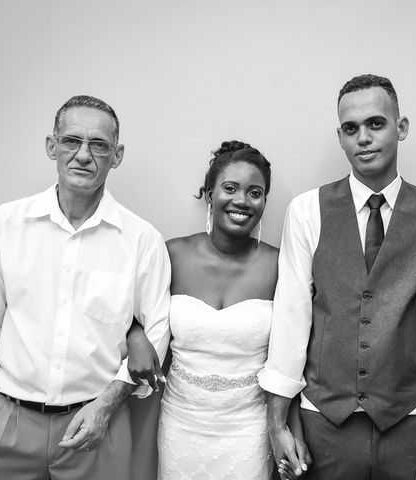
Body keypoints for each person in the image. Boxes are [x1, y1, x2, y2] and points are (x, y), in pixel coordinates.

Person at [258, 74, 416, 480]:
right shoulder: (306, 211)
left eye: (376, 124)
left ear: (401, 127)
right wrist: (278, 424)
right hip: (324, 420)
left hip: (410, 422)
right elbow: (290, 322)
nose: (364, 137)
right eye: (351, 128)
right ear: (340, 137)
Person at [0, 95, 171, 480]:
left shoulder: (141, 239)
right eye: (71, 141)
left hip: (97, 422)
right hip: (9, 418)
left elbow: (156, 333)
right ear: (51, 146)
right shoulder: (6, 223)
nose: (83, 155)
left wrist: (107, 404)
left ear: (116, 155)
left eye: (98, 145)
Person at [127, 140, 310, 480]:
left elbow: (293, 353)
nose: (242, 200)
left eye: (255, 192)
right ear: (210, 194)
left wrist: (289, 428)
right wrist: (135, 334)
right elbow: (126, 309)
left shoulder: (280, 264)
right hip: (180, 423)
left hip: (248, 429)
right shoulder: (172, 254)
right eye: (230, 188)